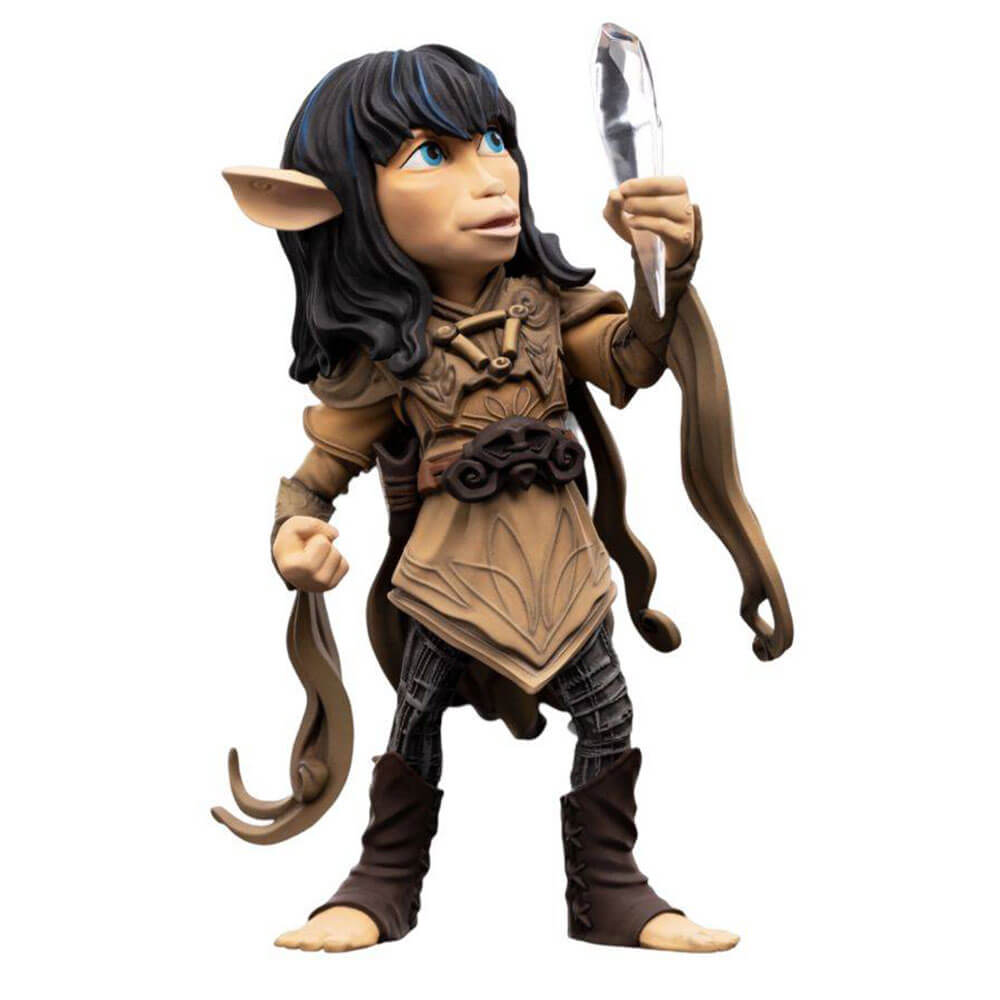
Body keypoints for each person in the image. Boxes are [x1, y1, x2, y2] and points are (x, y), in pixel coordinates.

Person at [221, 43, 792, 953]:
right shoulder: (388, 351)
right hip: (448, 580)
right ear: (348, 198)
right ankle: (381, 883)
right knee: (416, 722)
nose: (491, 176)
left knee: (609, 714)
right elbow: (317, 476)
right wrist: (295, 536)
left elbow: (633, 359)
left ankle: (613, 892)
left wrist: (663, 266)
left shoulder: (547, 306)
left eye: (493, 140)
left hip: (563, 569)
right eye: (431, 154)